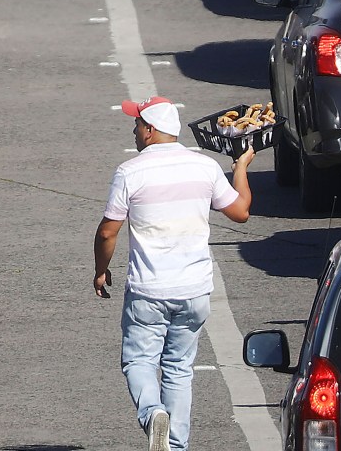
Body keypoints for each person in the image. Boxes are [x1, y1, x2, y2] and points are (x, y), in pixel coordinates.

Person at [93, 97, 255, 451]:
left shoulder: (130, 172)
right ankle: (176, 446)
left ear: (150, 131)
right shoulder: (206, 167)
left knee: (138, 360)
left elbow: (108, 232)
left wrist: (100, 272)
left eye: (137, 124)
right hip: (195, 290)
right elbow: (241, 211)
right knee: (179, 369)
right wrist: (240, 166)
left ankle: (153, 416)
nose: (134, 130)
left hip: (149, 290)